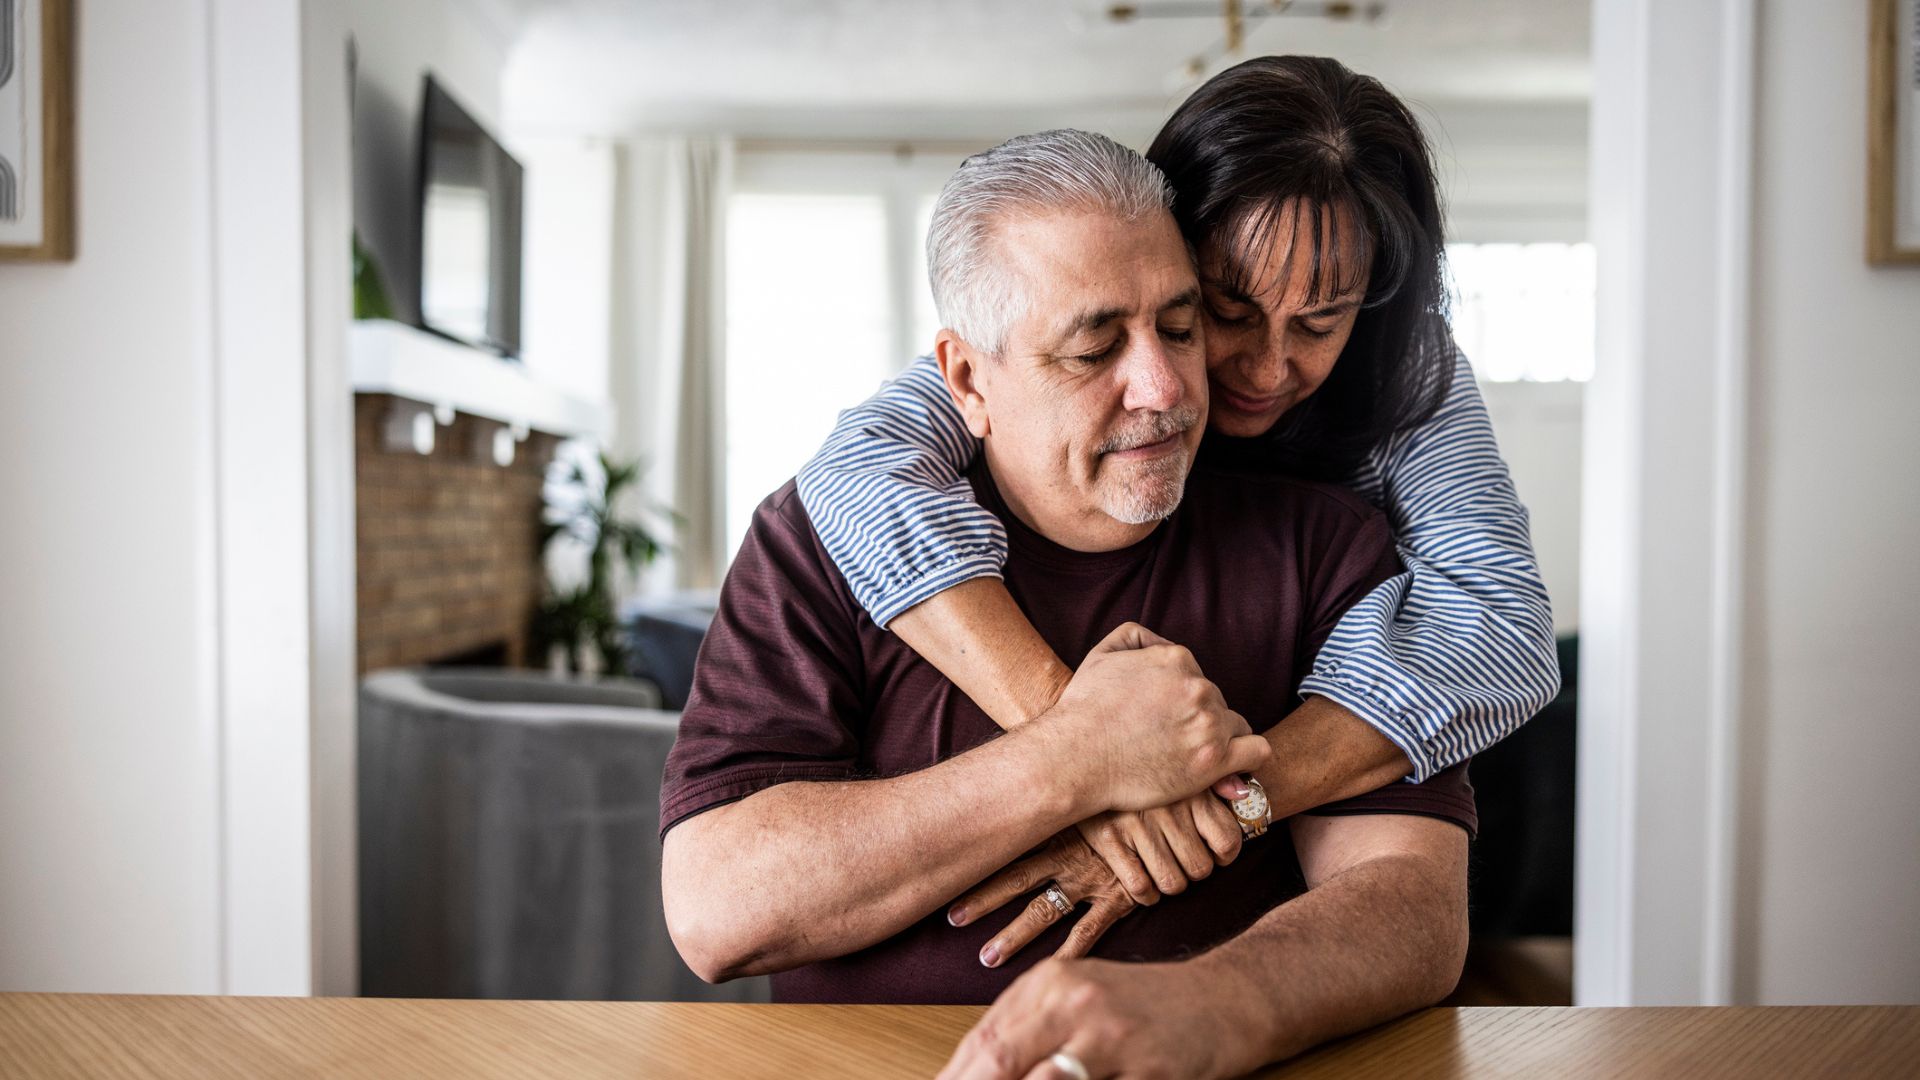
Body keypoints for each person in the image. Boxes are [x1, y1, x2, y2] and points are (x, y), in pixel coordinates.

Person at [660, 129, 1474, 1080]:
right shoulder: (818, 537)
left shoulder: (1326, 542)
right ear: (968, 379)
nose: (1167, 388)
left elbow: (1416, 906)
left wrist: (1215, 1004)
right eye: (1094, 349)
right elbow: (716, 912)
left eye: (1180, 326)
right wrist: (1072, 759)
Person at [794, 55, 1558, 929]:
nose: (1268, 370)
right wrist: (1086, 746)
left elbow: (1501, 621)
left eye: (1319, 323)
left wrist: (1209, 804)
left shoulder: (1406, 364)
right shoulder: (1036, 352)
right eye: (1225, 313)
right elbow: (857, 473)